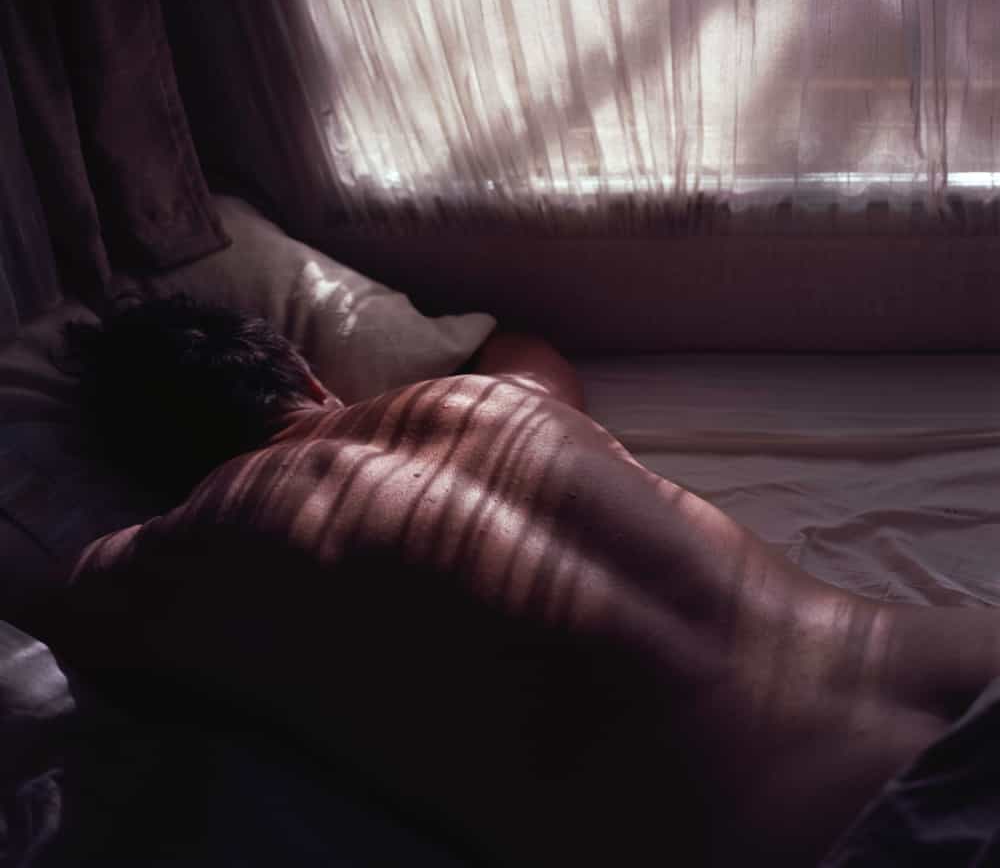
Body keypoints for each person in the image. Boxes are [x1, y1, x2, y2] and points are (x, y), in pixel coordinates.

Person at [45, 295, 1000, 867]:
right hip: (969, 678)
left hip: (844, 831)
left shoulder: (189, 547)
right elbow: (526, 342)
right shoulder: (483, 401)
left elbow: (67, 600)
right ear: (306, 371)